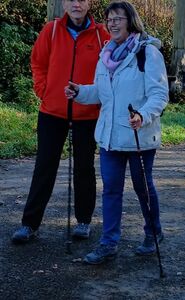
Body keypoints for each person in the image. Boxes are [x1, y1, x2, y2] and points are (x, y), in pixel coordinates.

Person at [65, 0, 168, 264]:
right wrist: (80, 92)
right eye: (109, 20)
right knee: (111, 190)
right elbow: (101, 93)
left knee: (143, 188)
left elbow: (159, 94)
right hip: (110, 137)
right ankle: (108, 243)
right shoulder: (106, 55)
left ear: (130, 21)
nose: (112, 24)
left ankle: (153, 233)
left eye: (117, 19)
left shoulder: (148, 53)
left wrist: (142, 115)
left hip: (138, 137)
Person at [12, 0, 109, 244]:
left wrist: (99, 101)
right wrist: (44, 90)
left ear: (90, 4)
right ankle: (29, 224)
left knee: (84, 168)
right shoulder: (51, 30)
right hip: (52, 111)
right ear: (65, 3)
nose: (77, 4)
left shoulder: (101, 35)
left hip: (87, 113)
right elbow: (38, 62)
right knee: (44, 166)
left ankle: (83, 221)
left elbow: (110, 71)